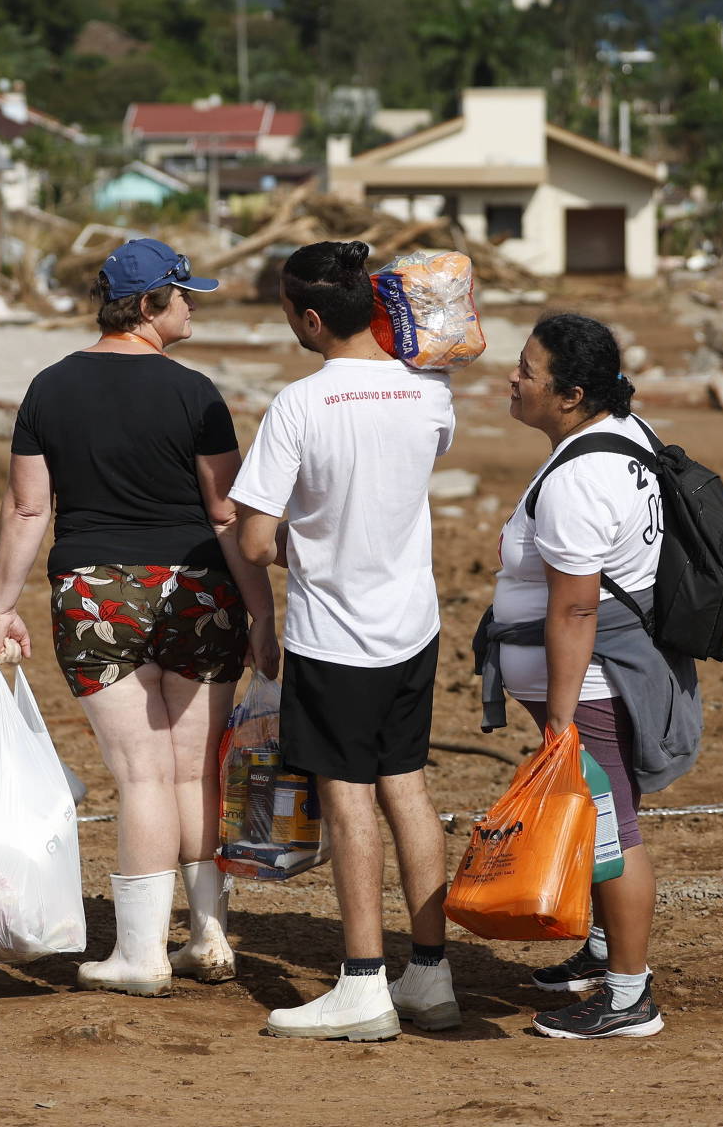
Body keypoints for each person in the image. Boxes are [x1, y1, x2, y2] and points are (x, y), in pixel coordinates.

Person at [0, 237, 279, 997]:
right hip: (197, 591)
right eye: (184, 296)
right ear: (150, 306)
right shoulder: (196, 393)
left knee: (142, 774)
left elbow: (28, 507)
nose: (192, 307)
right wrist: (262, 614)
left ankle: (142, 953)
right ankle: (208, 934)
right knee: (192, 769)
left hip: (96, 593)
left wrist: (1, 606)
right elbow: (225, 514)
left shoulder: (49, 388)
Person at [231, 240, 458, 1042]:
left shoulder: (299, 405)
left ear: (312, 317)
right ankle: (429, 975)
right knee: (408, 786)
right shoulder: (429, 395)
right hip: (413, 623)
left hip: (336, 634)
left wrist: (312, 542)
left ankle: (363, 982)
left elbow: (255, 540)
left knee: (349, 795)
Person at [473, 312, 702, 1040]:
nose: (513, 378)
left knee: (612, 829)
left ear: (570, 394)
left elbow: (574, 610)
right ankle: (605, 957)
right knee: (605, 822)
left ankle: (630, 999)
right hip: (612, 669)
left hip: (594, 682)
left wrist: (561, 719)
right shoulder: (626, 435)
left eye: (527, 371)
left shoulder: (580, 480)